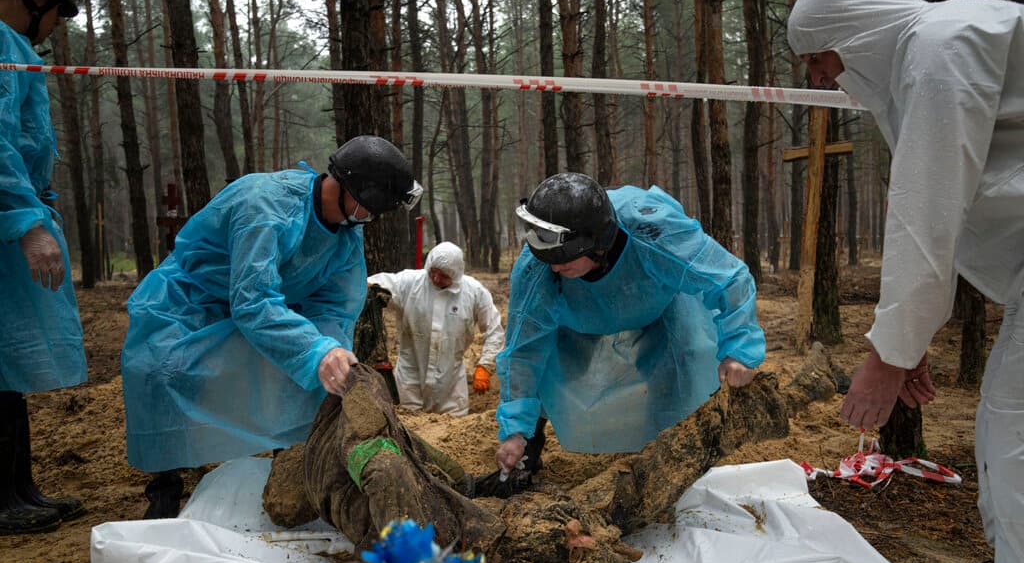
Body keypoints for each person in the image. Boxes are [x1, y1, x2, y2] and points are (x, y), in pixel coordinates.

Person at [788, 0, 1024, 563]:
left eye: (817, 57)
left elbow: (928, 207)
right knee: (1002, 428)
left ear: (853, 35)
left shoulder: (943, 47)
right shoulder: (943, 44)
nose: (815, 77)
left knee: (1014, 432)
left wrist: (888, 358)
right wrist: (908, 340)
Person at [121, 135, 422, 519]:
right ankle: (164, 486)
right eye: (371, 210)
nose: (372, 219)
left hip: (268, 309)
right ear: (353, 192)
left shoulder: (348, 232)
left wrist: (329, 352)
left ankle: (291, 467)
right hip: (192, 304)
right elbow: (253, 301)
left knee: (307, 377)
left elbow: (334, 306)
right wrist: (314, 351)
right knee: (165, 373)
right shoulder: (263, 206)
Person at [493, 172, 765, 481]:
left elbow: (729, 277)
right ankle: (530, 441)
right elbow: (523, 352)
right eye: (547, 257)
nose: (553, 266)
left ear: (596, 244)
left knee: (680, 366)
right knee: (547, 367)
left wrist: (740, 350)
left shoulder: (655, 230)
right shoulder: (537, 267)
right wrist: (515, 431)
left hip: (659, 309)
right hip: (575, 320)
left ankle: (663, 453)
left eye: (563, 259)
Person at [0, 0, 86, 535]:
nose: (57, 24)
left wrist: (40, 203)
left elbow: (29, 143)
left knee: (7, 369)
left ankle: (17, 490)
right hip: (8, 219)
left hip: (14, 214)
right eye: (58, 10)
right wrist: (26, 222)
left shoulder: (15, 50)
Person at [367, 241, 505, 415]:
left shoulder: (474, 292)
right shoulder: (410, 283)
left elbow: (494, 330)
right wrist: (367, 287)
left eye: (444, 275)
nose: (436, 279)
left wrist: (485, 365)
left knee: (452, 433)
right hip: (410, 380)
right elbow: (377, 284)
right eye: (433, 272)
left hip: (451, 386)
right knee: (411, 427)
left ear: (456, 274)